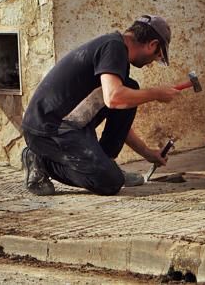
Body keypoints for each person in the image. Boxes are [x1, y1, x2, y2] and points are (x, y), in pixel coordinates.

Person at [19, 15, 182, 196]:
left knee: (131, 89)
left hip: (72, 124)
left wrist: (147, 153)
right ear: (152, 44)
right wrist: (156, 94)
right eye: (157, 56)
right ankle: (39, 160)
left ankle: (105, 164)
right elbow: (114, 98)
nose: (152, 62)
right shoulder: (114, 47)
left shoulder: (116, 51)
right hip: (47, 130)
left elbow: (118, 106)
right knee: (110, 183)